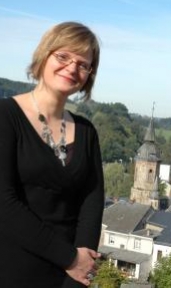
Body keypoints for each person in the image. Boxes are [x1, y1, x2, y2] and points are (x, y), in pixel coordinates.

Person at [0, 21, 105, 288]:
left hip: (67, 278)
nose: (72, 68)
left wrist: (79, 274)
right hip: (11, 268)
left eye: (83, 64)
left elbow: (91, 203)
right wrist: (70, 258)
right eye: (63, 56)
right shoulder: (5, 116)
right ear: (44, 55)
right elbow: (4, 202)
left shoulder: (86, 131)